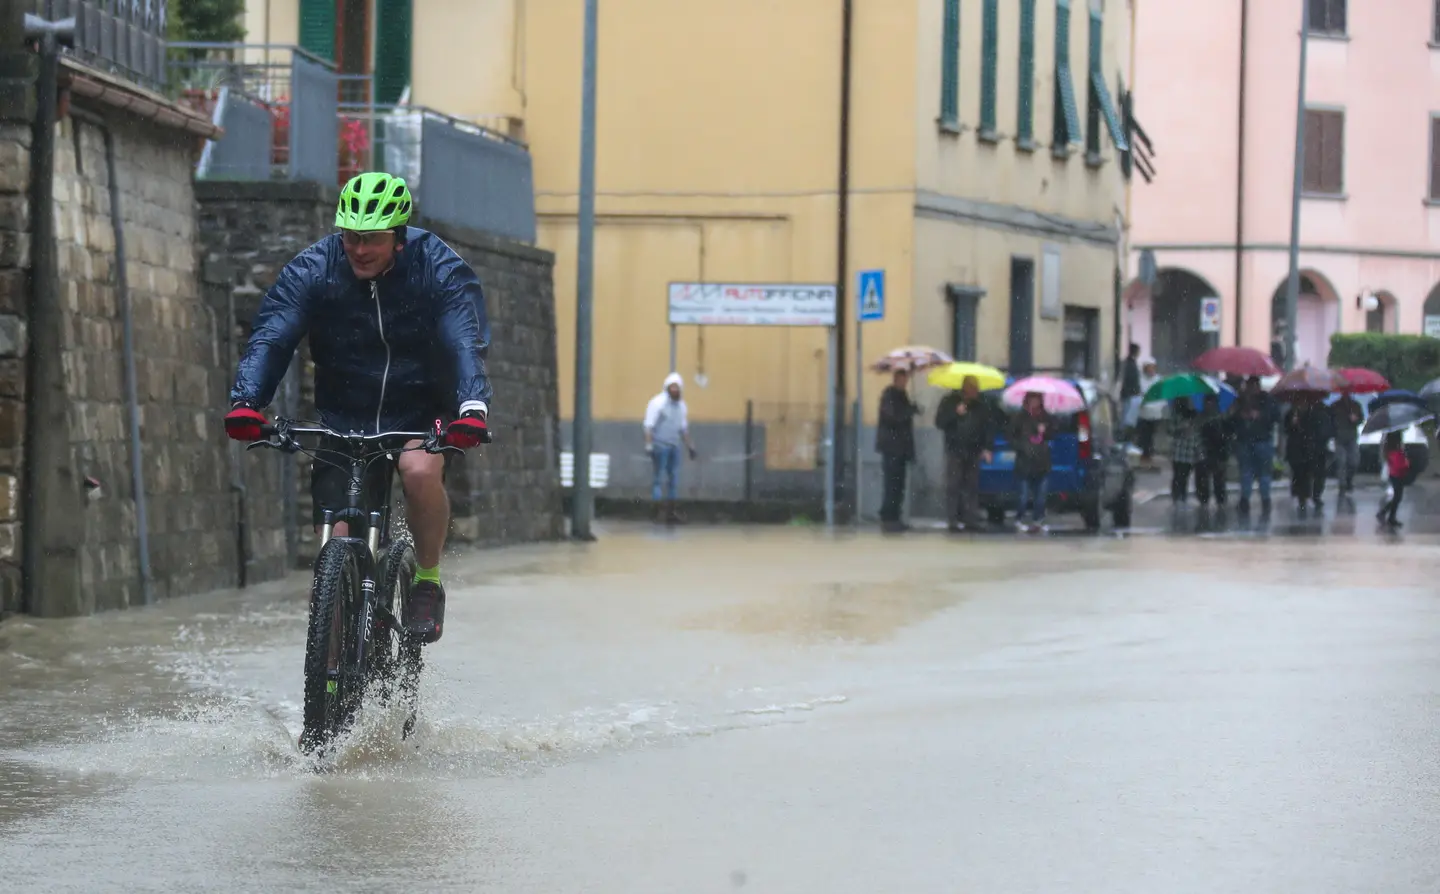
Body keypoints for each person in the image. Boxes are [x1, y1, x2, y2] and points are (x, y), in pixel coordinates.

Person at [224, 172, 492, 645]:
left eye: (370, 239)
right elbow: (273, 334)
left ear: (399, 236)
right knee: (336, 540)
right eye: (350, 236)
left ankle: (426, 580)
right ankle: (330, 675)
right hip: (345, 411)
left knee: (418, 471)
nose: (358, 249)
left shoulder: (437, 268)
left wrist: (471, 407)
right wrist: (248, 401)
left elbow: (462, 340)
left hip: (421, 406)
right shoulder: (315, 268)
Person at [934, 375, 994, 532]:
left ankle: (970, 519)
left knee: (971, 486)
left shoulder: (981, 405)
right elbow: (940, 422)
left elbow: (987, 427)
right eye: (973, 388)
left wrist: (987, 447)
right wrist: (955, 413)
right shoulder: (950, 401)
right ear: (965, 388)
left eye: (977, 389)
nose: (976, 392)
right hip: (955, 449)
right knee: (953, 484)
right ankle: (952, 519)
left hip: (973, 450)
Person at [643, 372, 698, 524]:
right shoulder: (657, 403)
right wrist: (648, 445)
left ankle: (671, 512)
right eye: (672, 387)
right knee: (658, 478)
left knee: (673, 478)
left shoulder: (682, 406)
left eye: (677, 387)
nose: (675, 390)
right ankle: (657, 512)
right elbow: (648, 426)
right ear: (667, 388)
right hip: (660, 446)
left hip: (674, 446)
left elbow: (683, 429)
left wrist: (690, 447)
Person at [876, 369, 920, 532]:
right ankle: (888, 518)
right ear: (896, 379)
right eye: (902, 380)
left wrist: (912, 409)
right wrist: (910, 411)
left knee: (899, 485)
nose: (904, 383)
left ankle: (895, 517)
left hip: (901, 448)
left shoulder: (902, 395)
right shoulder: (889, 395)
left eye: (906, 380)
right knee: (892, 484)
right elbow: (893, 418)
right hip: (892, 448)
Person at [1230, 375, 1280, 515]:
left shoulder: (1266, 400)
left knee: (1259, 473)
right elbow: (1232, 423)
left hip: (1260, 441)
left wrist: (1259, 416)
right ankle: (1249, 500)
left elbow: (1275, 417)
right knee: (1249, 472)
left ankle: (1262, 500)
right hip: (1248, 442)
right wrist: (1240, 415)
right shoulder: (1241, 401)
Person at [1010, 392, 1052, 533]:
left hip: (1041, 462)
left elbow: (1053, 433)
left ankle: (1037, 520)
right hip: (1025, 463)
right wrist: (1021, 447)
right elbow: (1011, 436)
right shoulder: (1020, 417)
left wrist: (1045, 430)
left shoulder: (1045, 417)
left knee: (1041, 496)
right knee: (1023, 496)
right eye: (1032, 400)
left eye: (1037, 400)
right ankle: (1019, 519)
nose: (1035, 403)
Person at [1284, 395, 1333, 510]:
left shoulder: (1321, 411)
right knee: (1301, 474)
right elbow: (1287, 430)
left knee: (1319, 474)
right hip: (1299, 450)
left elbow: (1326, 429)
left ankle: (1316, 496)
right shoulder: (1292, 413)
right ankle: (1302, 497)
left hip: (1317, 448)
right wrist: (1293, 424)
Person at [1196, 393, 1232, 507]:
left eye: (1211, 402)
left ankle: (1219, 500)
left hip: (1218, 452)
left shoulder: (1221, 417)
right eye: (1207, 402)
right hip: (1205, 451)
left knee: (1219, 479)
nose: (1209, 405)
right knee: (1203, 479)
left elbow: (1226, 436)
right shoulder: (1201, 417)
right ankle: (1204, 500)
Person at [1168, 399, 1202, 504]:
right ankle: (1177, 496)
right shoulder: (1176, 415)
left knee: (1183, 476)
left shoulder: (1195, 417)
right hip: (1179, 451)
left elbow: (1197, 435)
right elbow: (1170, 429)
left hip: (1188, 451)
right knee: (1178, 475)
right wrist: (1182, 429)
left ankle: (1181, 496)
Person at [1330, 391, 1364, 495]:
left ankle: (1349, 479)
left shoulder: (1356, 405)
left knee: (1353, 461)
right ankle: (1342, 485)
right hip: (1339, 437)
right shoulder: (1334, 406)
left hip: (1351, 437)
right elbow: (1330, 421)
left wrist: (1356, 419)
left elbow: (1361, 419)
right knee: (1341, 461)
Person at [1377, 431, 1410, 529]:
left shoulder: (1391, 450)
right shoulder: (1395, 451)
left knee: (1397, 497)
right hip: (1397, 475)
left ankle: (1389, 516)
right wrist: (1405, 463)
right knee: (1397, 497)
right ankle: (1386, 514)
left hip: (1395, 474)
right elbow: (1399, 464)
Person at [1135, 358, 1163, 470]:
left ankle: (1148, 455)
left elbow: (1161, 397)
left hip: (1155, 413)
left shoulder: (1158, 380)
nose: (1151, 370)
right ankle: (1144, 455)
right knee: (1144, 436)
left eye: (1152, 367)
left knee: (1150, 436)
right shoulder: (1140, 380)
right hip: (1143, 413)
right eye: (1148, 368)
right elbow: (1139, 394)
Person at [1118, 343, 1143, 438]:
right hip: (1129, 395)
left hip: (1129, 394)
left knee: (1127, 417)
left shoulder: (1130, 363)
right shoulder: (1130, 364)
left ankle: (1125, 435)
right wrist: (1135, 391)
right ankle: (1124, 436)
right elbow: (1130, 380)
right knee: (1127, 418)